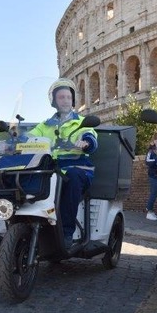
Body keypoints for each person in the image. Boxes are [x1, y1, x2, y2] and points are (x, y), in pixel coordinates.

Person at [28, 78, 97, 249]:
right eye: (61, 97)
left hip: (77, 167)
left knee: (73, 178)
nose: (65, 101)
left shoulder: (81, 121)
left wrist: (86, 143)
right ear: (54, 101)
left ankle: (66, 232)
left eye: (68, 97)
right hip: (52, 168)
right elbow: (30, 136)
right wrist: (16, 139)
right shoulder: (45, 125)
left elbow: (91, 136)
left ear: (73, 100)